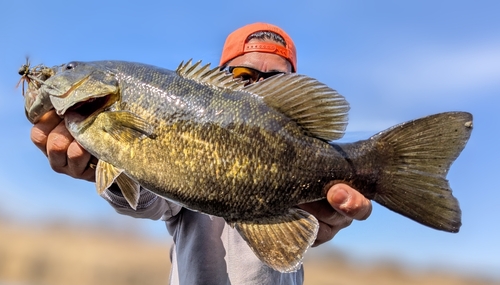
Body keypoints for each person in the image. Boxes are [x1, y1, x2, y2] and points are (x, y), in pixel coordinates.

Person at [30, 22, 372, 284]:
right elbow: (153, 200)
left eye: (275, 80)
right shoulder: (175, 120)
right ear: (217, 78)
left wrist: (328, 211)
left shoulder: (294, 145)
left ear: (292, 87)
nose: (257, 87)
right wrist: (112, 171)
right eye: (243, 75)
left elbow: (295, 235)